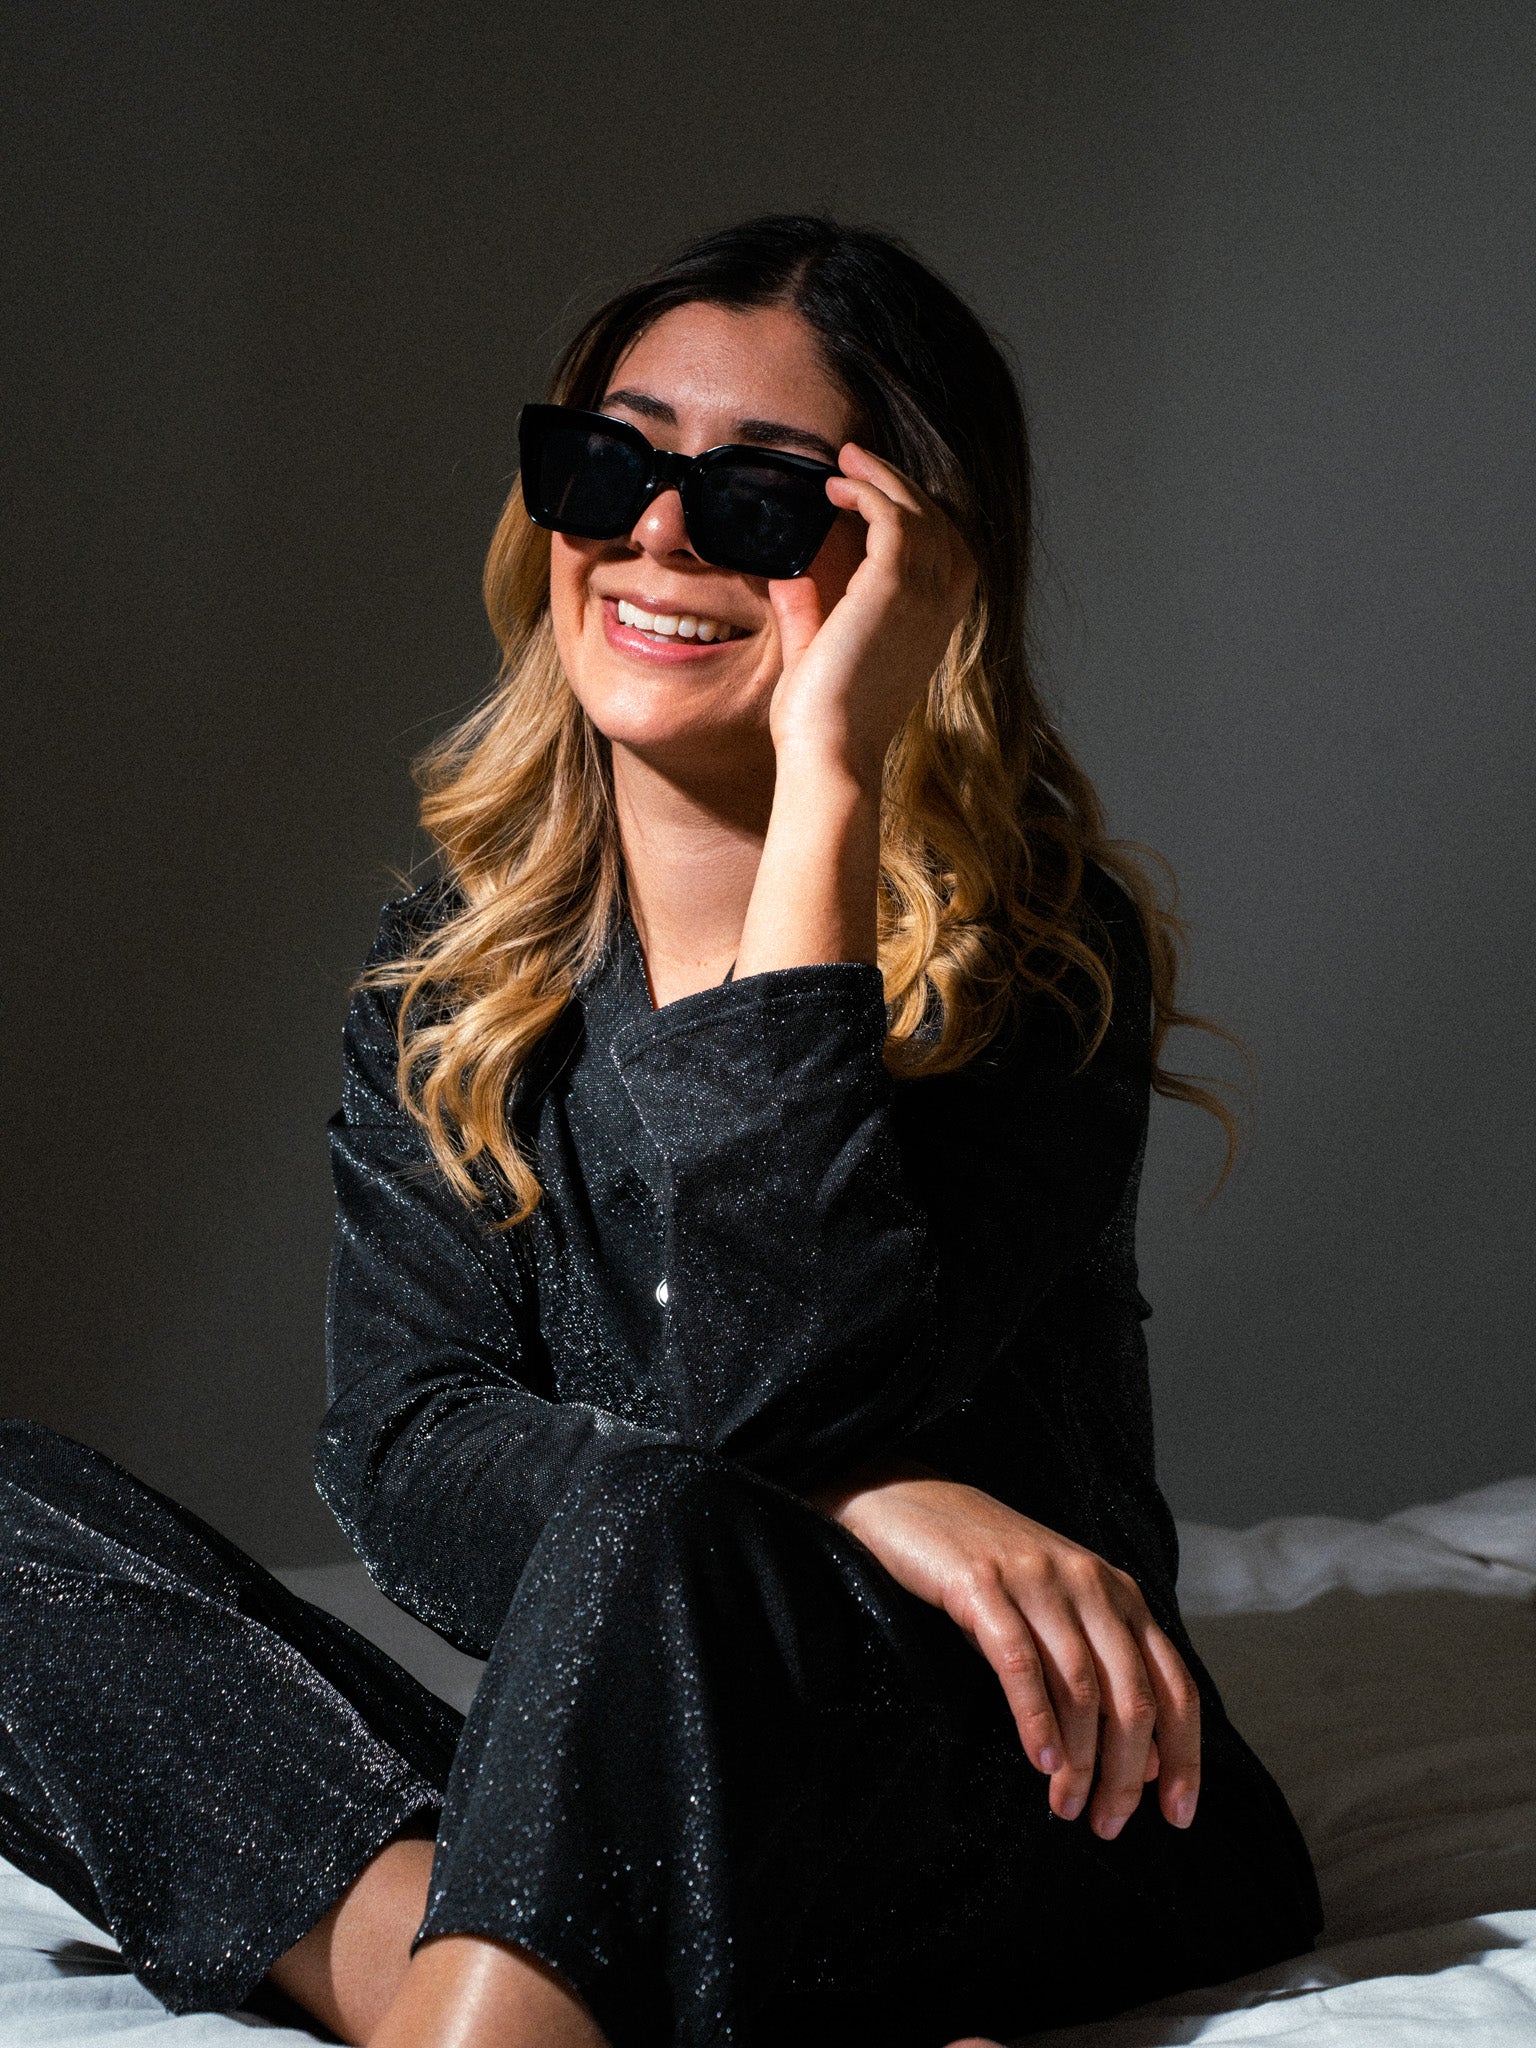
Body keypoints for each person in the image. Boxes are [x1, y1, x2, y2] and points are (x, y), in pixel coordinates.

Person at [0, 214, 1322, 2048]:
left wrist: (830, 780)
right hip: (641, 1746)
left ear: (915, 569)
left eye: (765, 500)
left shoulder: (1036, 957)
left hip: (1007, 1782)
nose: (662, 537)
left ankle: (483, 2007)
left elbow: (783, 1377)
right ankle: (513, 1979)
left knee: (656, 1527)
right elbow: (405, 1450)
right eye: (609, 465)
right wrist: (862, 1496)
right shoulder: (453, 967)